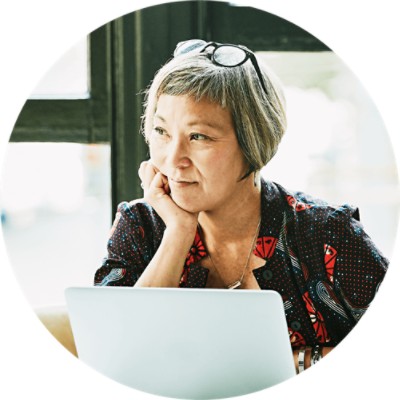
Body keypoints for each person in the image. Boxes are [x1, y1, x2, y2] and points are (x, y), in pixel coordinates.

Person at [94, 39, 388, 373]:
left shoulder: (326, 232)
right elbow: (117, 361)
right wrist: (177, 233)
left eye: (198, 136)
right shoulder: (140, 225)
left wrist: (295, 364)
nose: (173, 159)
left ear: (253, 142)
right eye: (161, 131)